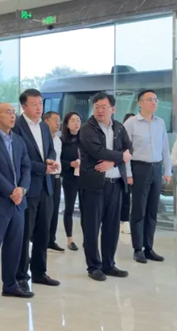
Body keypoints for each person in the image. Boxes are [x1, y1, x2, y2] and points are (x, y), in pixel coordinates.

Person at [0, 103, 34, 306]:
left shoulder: (19, 140)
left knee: (14, 246)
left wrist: (22, 189)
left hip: (18, 203)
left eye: (14, 112)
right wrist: (11, 191)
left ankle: (10, 285)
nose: (13, 116)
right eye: (8, 112)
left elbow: (26, 167)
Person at [78, 93, 133, 281]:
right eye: (96, 107)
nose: (99, 110)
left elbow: (129, 149)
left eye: (103, 107)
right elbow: (97, 151)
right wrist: (121, 157)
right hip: (94, 185)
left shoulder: (119, 127)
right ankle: (94, 266)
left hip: (115, 183)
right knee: (91, 228)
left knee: (112, 227)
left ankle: (109, 264)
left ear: (113, 109)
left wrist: (113, 162)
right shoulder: (87, 128)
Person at [12, 89, 61, 291]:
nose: (39, 107)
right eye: (34, 104)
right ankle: (21, 275)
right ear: (24, 106)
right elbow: (18, 159)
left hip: (46, 186)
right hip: (28, 187)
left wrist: (50, 160)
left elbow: (51, 149)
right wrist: (43, 168)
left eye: (40, 103)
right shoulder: (17, 127)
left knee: (43, 232)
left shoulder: (43, 126)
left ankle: (40, 272)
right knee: (25, 234)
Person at [124, 90, 172, 264]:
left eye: (156, 100)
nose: (154, 102)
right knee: (139, 210)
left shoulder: (160, 122)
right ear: (140, 103)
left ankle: (149, 247)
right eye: (150, 99)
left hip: (156, 168)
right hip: (139, 168)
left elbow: (165, 147)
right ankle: (138, 248)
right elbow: (125, 151)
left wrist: (167, 170)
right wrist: (128, 173)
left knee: (152, 210)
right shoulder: (131, 123)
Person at [60, 112, 82, 251]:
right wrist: (70, 164)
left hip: (85, 178)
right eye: (73, 120)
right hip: (70, 178)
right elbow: (58, 160)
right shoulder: (62, 141)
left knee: (87, 209)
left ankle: (88, 238)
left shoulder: (85, 140)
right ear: (67, 124)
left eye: (78, 120)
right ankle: (69, 239)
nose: (76, 123)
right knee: (69, 208)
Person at [43, 111, 64, 252]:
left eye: (59, 120)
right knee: (46, 211)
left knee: (55, 210)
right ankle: (42, 239)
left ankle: (51, 239)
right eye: (55, 120)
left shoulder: (58, 140)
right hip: (46, 177)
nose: (58, 123)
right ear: (46, 121)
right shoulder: (42, 139)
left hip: (57, 178)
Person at [120, 113, 135, 234]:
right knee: (125, 197)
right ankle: (124, 221)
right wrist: (128, 174)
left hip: (137, 167)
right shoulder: (122, 137)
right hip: (125, 169)